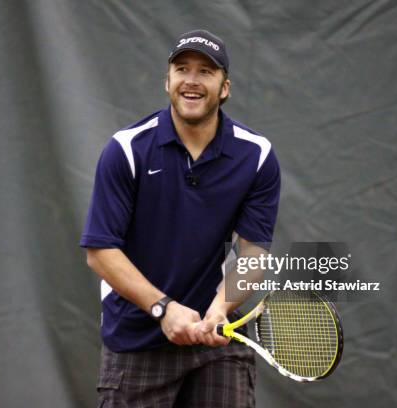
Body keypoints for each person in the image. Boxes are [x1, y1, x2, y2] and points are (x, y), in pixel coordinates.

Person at [80, 29, 281, 408]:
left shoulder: (256, 156)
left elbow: (254, 252)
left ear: (224, 88)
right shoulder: (126, 150)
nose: (191, 80)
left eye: (206, 71)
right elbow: (101, 251)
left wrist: (220, 308)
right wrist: (164, 308)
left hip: (216, 342)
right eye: (182, 68)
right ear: (167, 81)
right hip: (138, 338)